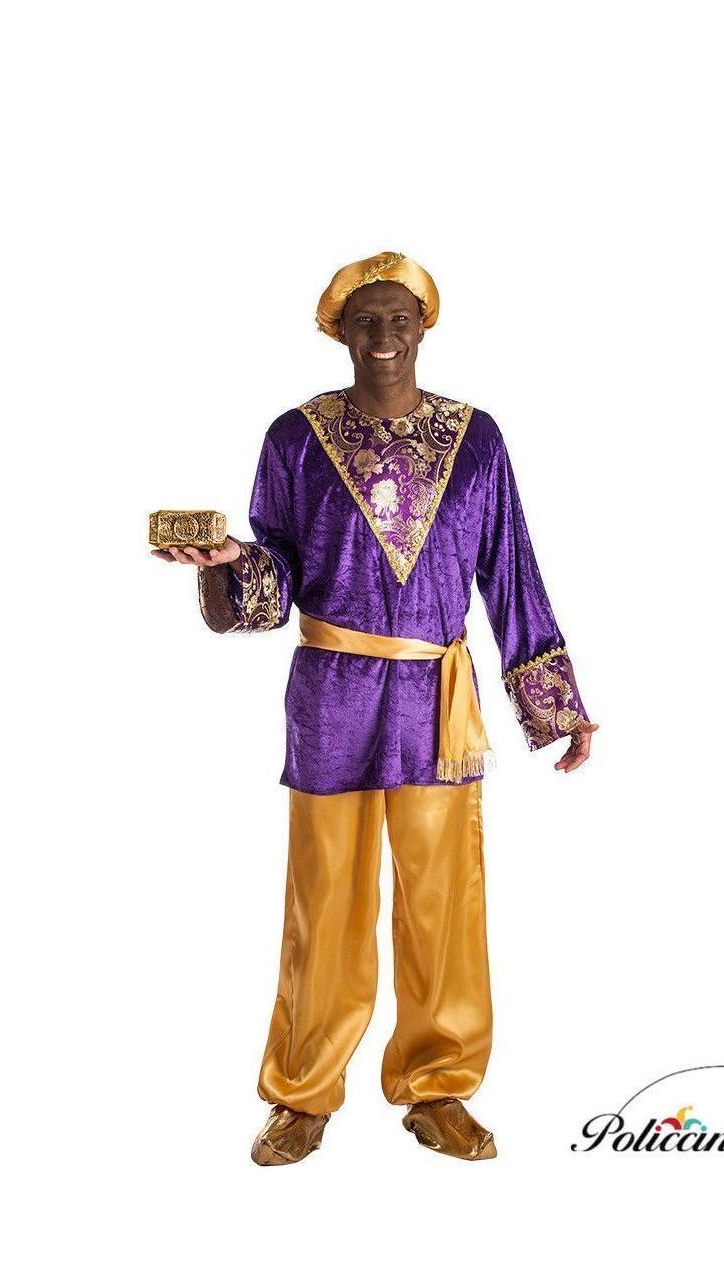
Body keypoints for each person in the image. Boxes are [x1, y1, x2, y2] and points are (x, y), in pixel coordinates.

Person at [151, 251, 598, 1165]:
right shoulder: (295, 438)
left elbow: (510, 571)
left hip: (436, 698)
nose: (384, 335)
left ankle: (439, 1087)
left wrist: (556, 706)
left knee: (443, 900)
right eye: (366, 320)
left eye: (400, 318)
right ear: (340, 332)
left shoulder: (476, 440)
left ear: (424, 327)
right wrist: (232, 565)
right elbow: (277, 579)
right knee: (325, 899)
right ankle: (302, 1094)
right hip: (333, 696)